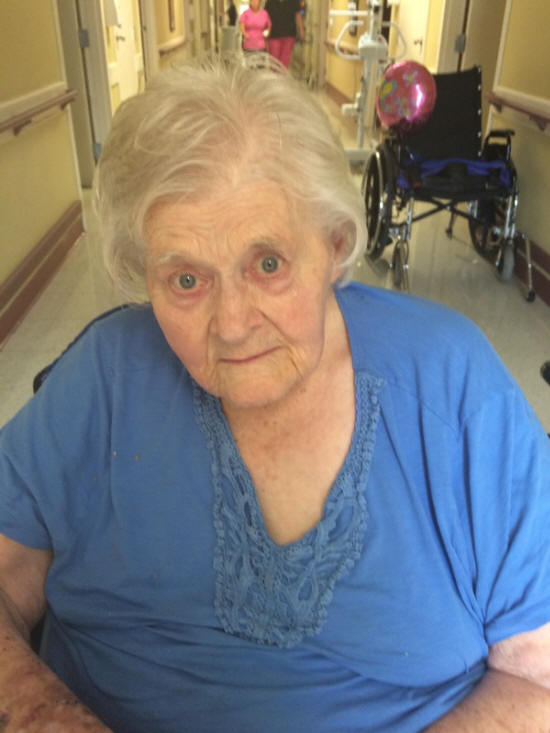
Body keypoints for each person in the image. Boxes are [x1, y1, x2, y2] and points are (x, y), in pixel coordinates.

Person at [1, 54, 550, 733]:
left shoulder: (453, 385)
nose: (232, 325)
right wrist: (45, 714)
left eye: (267, 263)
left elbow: (537, 673)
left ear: (336, 247)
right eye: (185, 280)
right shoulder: (106, 376)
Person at [265, 0, 304, 68]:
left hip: (289, 34)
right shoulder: (270, 2)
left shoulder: (294, 1)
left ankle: (282, 75)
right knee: (274, 61)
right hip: (274, 35)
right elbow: (266, 17)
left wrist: (301, 30)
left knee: (284, 61)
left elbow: (298, 15)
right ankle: (274, 74)